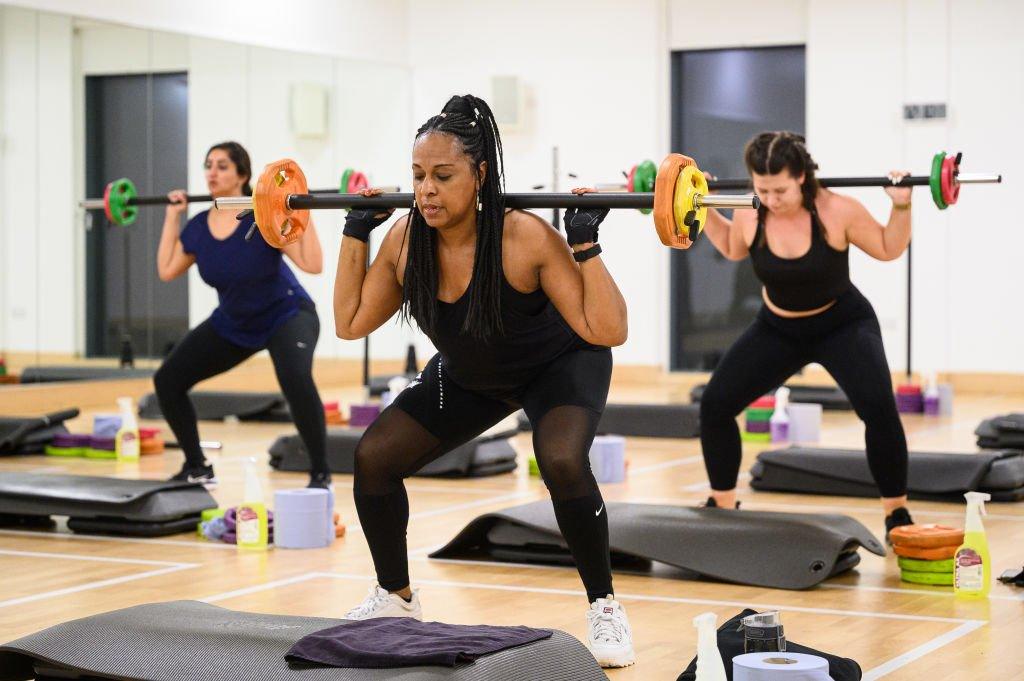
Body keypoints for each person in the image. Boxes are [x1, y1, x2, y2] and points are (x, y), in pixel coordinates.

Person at [332, 95, 635, 668]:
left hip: (559, 365)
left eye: (443, 176)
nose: (426, 190)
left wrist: (586, 245)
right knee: (374, 457)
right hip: (471, 375)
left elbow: (607, 329)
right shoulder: (404, 240)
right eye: (418, 176)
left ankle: (605, 605)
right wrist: (355, 232)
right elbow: (350, 324)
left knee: (562, 460)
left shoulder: (523, 237)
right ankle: (395, 598)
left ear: (480, 176)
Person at [697, 131, 914, 538]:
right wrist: (704, 205)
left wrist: (901, 207)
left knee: (879, 409)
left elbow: (888, 247)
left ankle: (896, 512)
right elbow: (730, 246)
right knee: (715, 405)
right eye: (762, 189)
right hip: (778, 328)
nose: (772, 198)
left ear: (800, 177)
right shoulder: (750, 211)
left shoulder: (837, 210)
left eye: (780, 189)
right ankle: (722, 504)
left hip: (843, 324)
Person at [154, 141, 330, 489]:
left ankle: (321, 474)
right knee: (168, 381)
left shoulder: (264, 216)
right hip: (234, 323)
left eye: (221, 166)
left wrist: (296, 208)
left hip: (287, 314)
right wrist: (172, 217)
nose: (212, 172)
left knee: (295, 380)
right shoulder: (200, 226)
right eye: (208, 165)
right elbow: (167, 270)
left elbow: (314, 264)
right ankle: (197, 466)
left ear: (243, 175)